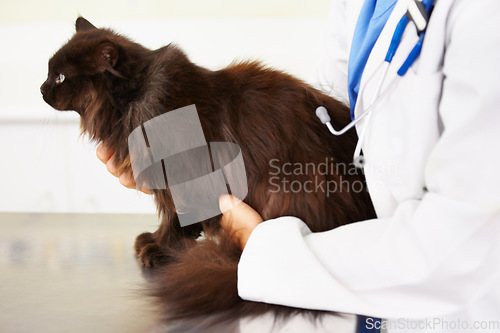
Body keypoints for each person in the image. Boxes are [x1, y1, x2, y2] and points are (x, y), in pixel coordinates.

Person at [97, 0, 500, 332]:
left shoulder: (482, 15)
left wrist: (268, 251)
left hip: (453, 314)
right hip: (354, 289)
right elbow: (326, 116)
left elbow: (462, 245)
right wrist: (187, 167)